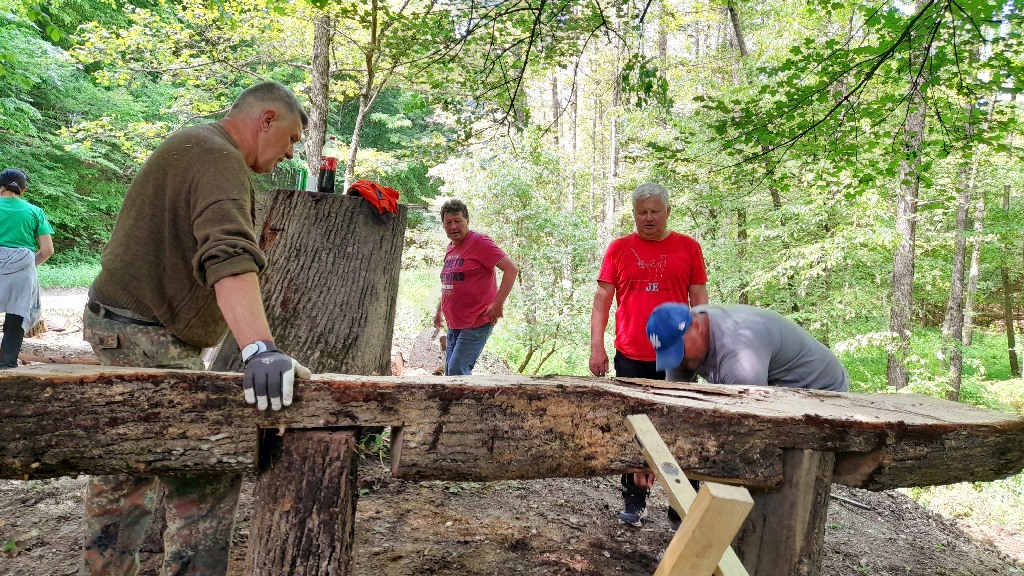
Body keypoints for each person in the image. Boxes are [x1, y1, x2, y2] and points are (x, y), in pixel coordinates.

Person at [79, 81, 312, 575]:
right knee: (207, 470)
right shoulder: (217, 158)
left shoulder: (195, 144)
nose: (290, 152)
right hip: (145, 334)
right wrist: (260, 350)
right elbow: (228, 253)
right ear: (265, 119)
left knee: (126, 473)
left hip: (124, 327)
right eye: (290, 138)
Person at [588, 182, 708, 527]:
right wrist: (597, 347)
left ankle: (681, 507)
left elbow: (700, 303)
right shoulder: (619, 249)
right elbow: (601, 303)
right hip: (631, 353)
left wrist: (703, 346)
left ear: (668, 212)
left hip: (677, 356)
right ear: (635, 215)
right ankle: (634, 499)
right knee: (634, 431)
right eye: (642, 212)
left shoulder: (688, 247)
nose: (649, 217)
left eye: (655, 211)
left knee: (680, 430)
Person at [647, 302, 850, 390]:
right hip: (776, 389)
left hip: (820, 388)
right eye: (669, 354)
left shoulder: (740, 354)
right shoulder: (683, 332)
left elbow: (749, 422)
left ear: (697, 327)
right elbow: (677, 396)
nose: (678, 360)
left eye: (679, 351)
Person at [432, 199, 518, 376]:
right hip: (455, 322)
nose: (454, 226)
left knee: (457, 371)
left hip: (477, 320)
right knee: (450, 372)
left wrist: (498, 303)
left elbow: (511, 269)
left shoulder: (479, 242)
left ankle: (465, 404)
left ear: (467, 221)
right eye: (449, 222)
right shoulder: (451, 248)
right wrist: (439, 311)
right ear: (443, 225)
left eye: (458, 221)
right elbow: (450, 282)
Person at [0, 169, 54, 368]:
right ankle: (6, 363)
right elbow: (47, 250)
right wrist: (28, 265)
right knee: (16, 316)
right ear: (23, 189)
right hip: (22, 271)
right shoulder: (35, 211)